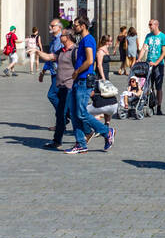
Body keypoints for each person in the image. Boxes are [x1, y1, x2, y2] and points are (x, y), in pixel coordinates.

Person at [68, 17, 113, 153]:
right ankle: (81, 143)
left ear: (83, 26)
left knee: (81, 113)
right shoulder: (83, 40)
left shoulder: (88, 40)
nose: (74, 27)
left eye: (76, 25)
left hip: (84, 79)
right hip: (79, 79)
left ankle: (106, 131)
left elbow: (89, 60)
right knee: (75, 113)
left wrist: (76, 71)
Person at [36, 30, 77, 147]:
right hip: (62, 87)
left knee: (73, 114)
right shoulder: (61, 50)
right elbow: (49, 57)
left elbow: (83, 66)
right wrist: (37, 51)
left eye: (62, 35)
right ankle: (57, 141)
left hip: (70, 87)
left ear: (68, 37)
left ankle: (97, 131)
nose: (60, 36)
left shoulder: (75, 50)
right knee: (60, 114)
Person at [139, 20, 165, 115]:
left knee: (158, 87)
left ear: (156, 25)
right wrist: (138, 59)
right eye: (149, 24)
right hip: (148, 64)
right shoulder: (148, 36)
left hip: (158, 65)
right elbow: (144, 48)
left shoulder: (163, 37)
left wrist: (156, 62)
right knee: (147, 85)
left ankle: (159, 106)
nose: (149, 26)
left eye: (151, 24)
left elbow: (164, 52)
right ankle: (150, 103)